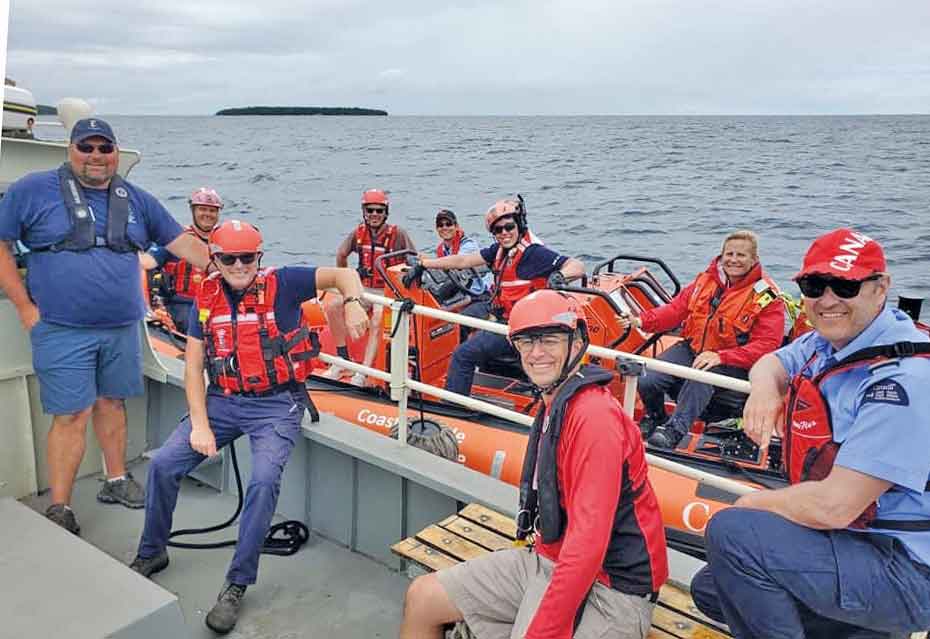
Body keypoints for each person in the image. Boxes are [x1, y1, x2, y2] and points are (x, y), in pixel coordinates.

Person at [129, 220, 368, 634]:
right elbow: (192, 366)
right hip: (223, 400)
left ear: (260, 257)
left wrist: (353, 301)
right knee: (165, 462)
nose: (239, 265)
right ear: (216, 261)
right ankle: (152, 551)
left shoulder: (287, 283)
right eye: (228, 258)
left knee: (262, 481)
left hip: (277, 405)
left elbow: (344, 273)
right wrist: (200, 426)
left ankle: (236, 584)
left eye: (247, 257)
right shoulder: (206, 297)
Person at [690, 228, 930, 638]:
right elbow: (771, 362)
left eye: (846, 285)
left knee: (734, 534)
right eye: (815, 285)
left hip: (903, 565)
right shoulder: (828, 344)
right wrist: (765, 392)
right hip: (852, 540)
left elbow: (834, 507)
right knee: (712, 588)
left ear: (881, 288)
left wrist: (754, 504)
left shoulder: (903, 383)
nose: (828, 299)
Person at [399, 290, 668, 639]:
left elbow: (588, 546)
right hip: (549, 558)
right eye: (526, 342)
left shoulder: (594, 419)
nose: (536, 353)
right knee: (423, 598)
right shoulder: (554, 402)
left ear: (576, 343)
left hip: (612, 589)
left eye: (549, 340)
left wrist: (544, 630)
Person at [0, 117, 209, 534]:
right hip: (61, 328)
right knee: (71, 415)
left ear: (115, 151)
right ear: (70, 149)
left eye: (104, 148)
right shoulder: (30, 190)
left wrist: (237, 269)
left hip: (121, 327)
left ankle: (115, 480)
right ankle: (60, 505)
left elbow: (181, 243)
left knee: (113, 402)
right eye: (87, 147)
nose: (96, 156)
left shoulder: (136, 199)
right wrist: (24, 305)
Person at [625, 230, 785, 449]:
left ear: (754, 260)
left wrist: (722, 356)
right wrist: (641, 320)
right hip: (693, 348)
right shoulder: (705, 281)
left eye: (741, 255)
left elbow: (767, 345)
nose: (734, 260)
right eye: (729, 254)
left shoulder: (766, 296)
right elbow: (675, 310)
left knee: (701, 376)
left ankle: (674, 431)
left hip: (733, 361)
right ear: (721, 256)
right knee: (648, 376)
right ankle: (655, 416)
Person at [410, 196, 585, 396]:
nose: (504, 233)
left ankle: (454, 406)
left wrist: (560, 276)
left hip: (522, 328)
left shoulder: (532, 254)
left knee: (462, 355)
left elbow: (577, 266)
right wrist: (425, 264)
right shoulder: (500, 251)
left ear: (519, 226)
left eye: (509, 227)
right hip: (506, 319)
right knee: (463, 324)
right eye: (498, 230)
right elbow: (463, 260)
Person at [321, 188, 416, 385]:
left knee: (378, 320)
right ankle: (342, 359)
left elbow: (413, 259)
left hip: (387, 291)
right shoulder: (358, 233)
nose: (374, 214)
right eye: (370, 210)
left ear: (385, 213)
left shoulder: (398, 234)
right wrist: (346, 279)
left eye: (378, 210)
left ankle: (362, 372)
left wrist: (403, 278)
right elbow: (341, 254)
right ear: (364, 211)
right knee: (333, 306)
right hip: (364, 289)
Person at [140, 186, 223, 333]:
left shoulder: (224, 243)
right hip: (182, 305)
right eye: (202, 209)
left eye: (212, 210)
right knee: (194, 326)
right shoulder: (177, 239)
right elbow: (147, 263)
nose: (207, 214)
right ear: (193, 210)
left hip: (215, 306)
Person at [433, 208, 492, 301]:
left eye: (448, 224)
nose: (444, 228)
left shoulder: (468, 245)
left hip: (477, 292)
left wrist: (428, 262)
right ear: (437, 229)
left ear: (456, 226)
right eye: (440, 225)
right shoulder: (442, 249)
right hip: (460, 291)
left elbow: (457, 263)